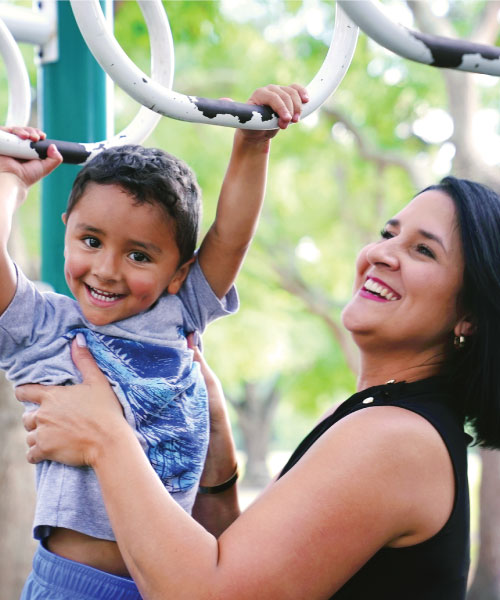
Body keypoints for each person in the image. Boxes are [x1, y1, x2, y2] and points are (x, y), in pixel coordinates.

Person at [17, 176, 500, 596]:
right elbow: (240, 568)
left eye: (422, 250)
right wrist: (218, 457)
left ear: (470, 316)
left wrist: (106, 437)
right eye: (388, 234)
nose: (381, 254)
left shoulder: (397, 439)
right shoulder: (382, 418)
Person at [0, 84, 308, 599]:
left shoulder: (179, 311)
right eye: (91, 241)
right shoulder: (46, 328)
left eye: (139, 255)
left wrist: (254, 143)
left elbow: (229, 235)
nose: (107, 269)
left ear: (178, 272)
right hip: (77, 587)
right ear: (67, 231)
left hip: (173, 580)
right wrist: (10, 178)